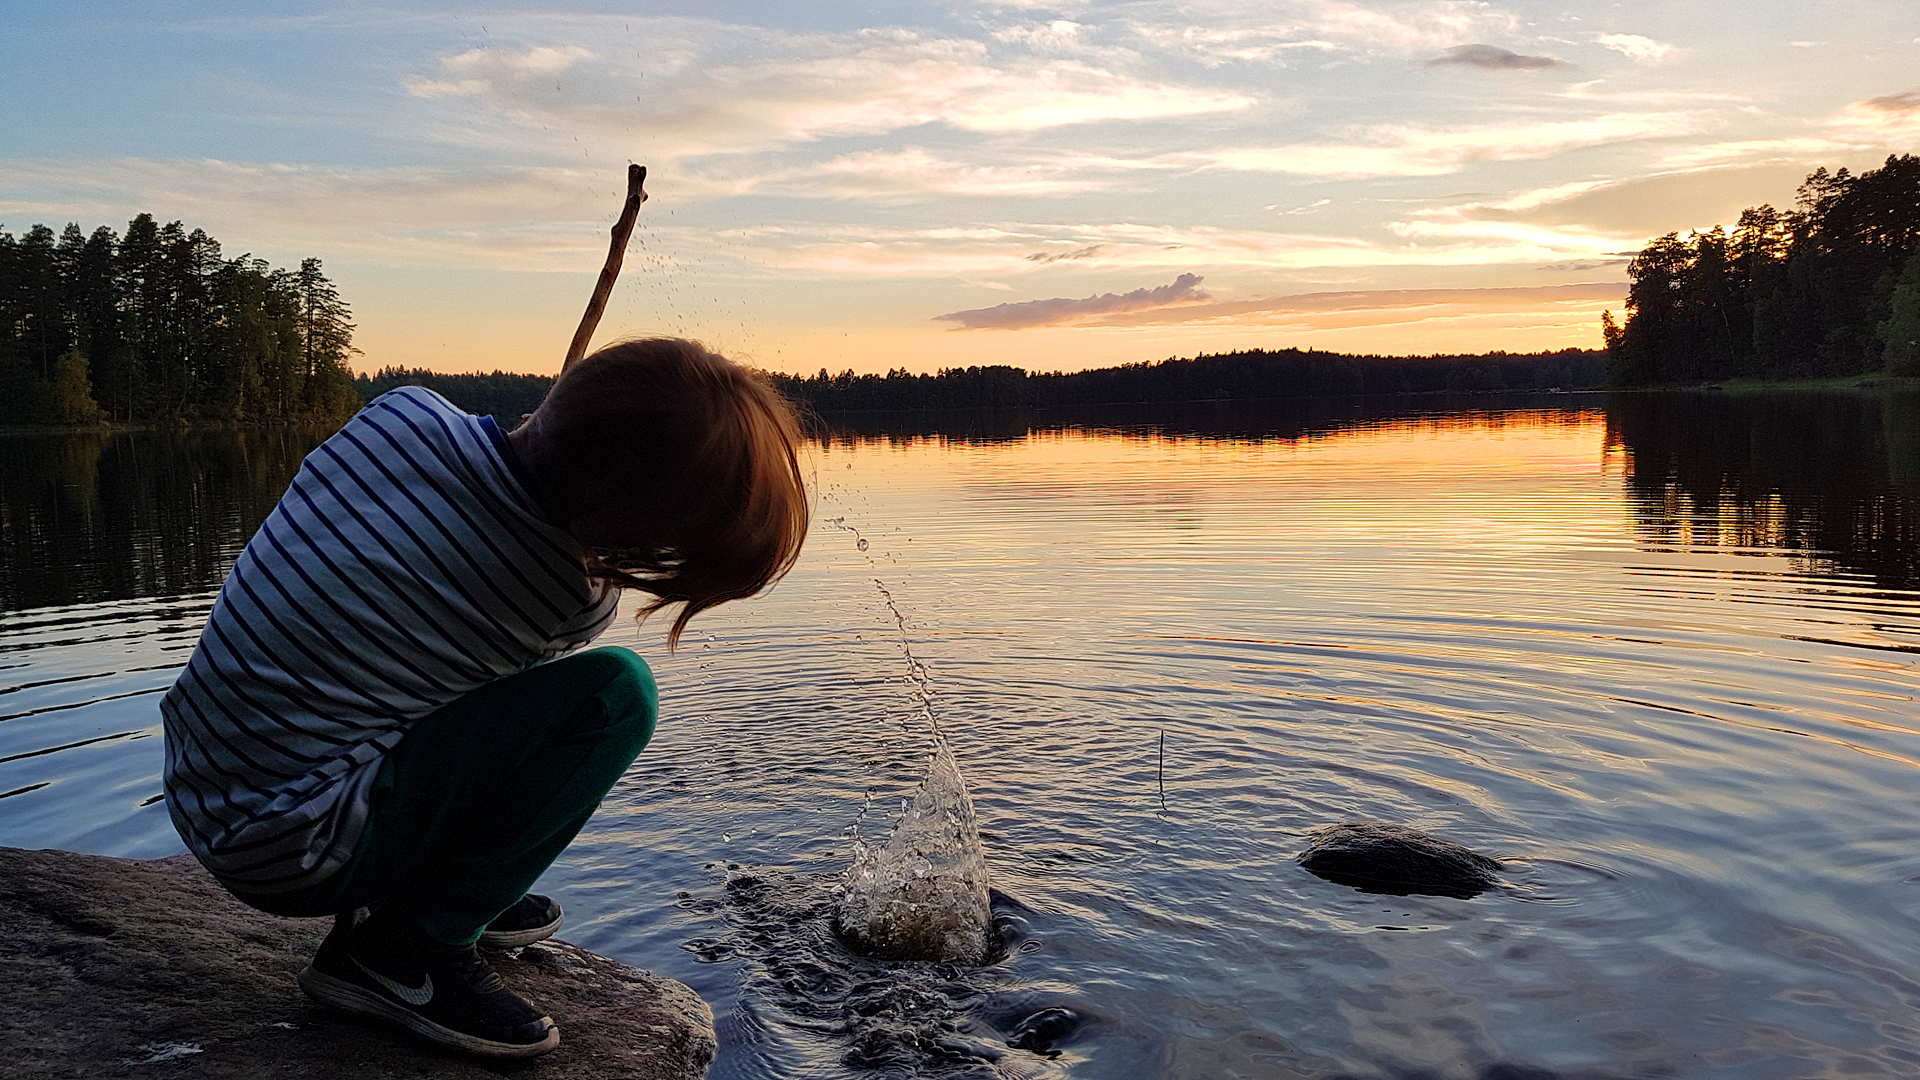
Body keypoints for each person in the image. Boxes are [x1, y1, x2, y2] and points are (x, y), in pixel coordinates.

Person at [160, 338, 809, 1058]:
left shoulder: (398, 414)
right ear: (613, 531)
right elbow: (503, 718)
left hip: (209, 778)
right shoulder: (567, 595)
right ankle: (403, 947)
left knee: (425, 672)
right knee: (615, 697)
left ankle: (438, 885)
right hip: (298, 844)